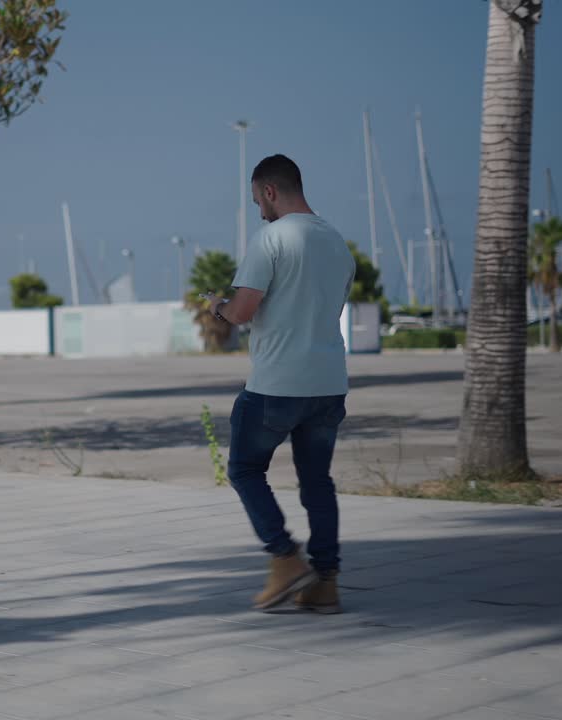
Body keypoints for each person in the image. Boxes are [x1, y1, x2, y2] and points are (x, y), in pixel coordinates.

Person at [201, 154, 355, 613]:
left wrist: (217, 306)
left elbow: (244, 311)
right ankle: (325, 584)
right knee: (317, 483)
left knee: (245, 470)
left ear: (270, 191)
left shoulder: (271, 237)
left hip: (277, 384)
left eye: (257, 201)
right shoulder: (337, 243)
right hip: (329, 383)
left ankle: (285, 559)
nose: (259, 212)